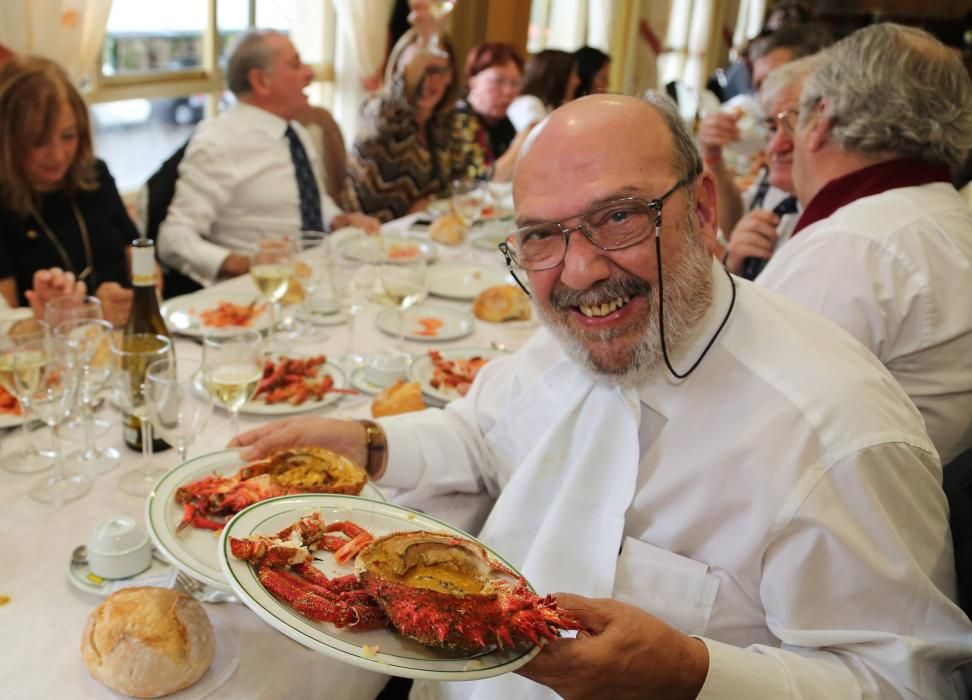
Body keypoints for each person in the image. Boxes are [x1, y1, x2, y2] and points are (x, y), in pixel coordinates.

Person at [231, 93, 971, 698]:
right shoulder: (584, 332)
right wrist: (368, 441)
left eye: (619, 216)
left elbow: (909, 684)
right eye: (542, 237)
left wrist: (694, 673)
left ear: (705, 208)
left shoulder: (836, 431)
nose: (579, 270)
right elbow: (482, 434)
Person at [758, 23, 972, 466]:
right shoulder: (941, 214)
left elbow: (756, 422)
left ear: (821, 119)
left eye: (792, 121)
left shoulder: (852, 247)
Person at [157, 30, 380, 286]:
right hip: (256, 295)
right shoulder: (219, 142)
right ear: (261, 81)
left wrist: (337, 220)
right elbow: (173, 239)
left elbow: (313, 201)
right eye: (295, 65)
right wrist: (245, 263)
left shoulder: (294, 132)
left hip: (317, 279)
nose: (310, 74)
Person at [0, 56, 136, 326]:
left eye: (68, 136)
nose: (58, 155)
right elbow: (8, 324)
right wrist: (91, 313)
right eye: (39, 141)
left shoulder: (96, 175)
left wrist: (142, 293)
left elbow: (139, 253)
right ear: (8, 138)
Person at [345, 26, 459, 223]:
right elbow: (393, 108)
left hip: (418, 239)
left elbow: (459, 185)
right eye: (416, 70)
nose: (425, 81)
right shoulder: (377, 112)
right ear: (397, 72)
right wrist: (426, 40)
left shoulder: (442, 123)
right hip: (367, 240)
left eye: (435, 71)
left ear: (450, 76)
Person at [721, 56, 822, 279]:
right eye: (772, 128)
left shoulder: (832, 228)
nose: (775, 147)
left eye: (793, 125)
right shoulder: (780, 196)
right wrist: (733, 264)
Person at [451, 41, 527, 182]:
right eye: (498, 81)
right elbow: (485, 180)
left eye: (515, 83)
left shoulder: (503, 121)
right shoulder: (458, 117)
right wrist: (522, 142)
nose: (508, 91)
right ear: (473, 82)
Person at [507, 49, 580, 133]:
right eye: (573, 74)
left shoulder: (547, 106)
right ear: (558, 76)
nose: (577, 81)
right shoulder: (529, 103)